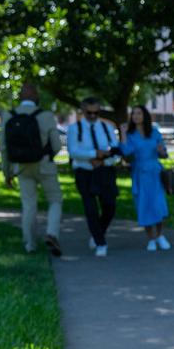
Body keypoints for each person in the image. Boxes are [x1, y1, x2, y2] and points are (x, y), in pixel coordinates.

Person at [0, 82, 63, 255]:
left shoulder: (8, 116)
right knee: (55, 199)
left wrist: (7, 172)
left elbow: (3, 148)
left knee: (28, 205)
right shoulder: (46, 116)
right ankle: (52, 233)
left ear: (20, 97)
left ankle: (29, 245)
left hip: (21, 167)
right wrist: (47, 156)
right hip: (44, 165)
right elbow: (56, 145)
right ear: (36, 96)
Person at [67, 97, 120, 257]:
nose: (92, 115)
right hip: (84, 173)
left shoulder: (106, 127)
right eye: (89, 112)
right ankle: (100, 242)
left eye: (96, 112)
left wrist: (104, 160)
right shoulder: (75, 128)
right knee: (90, 209)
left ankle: (98, 233)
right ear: (83, 111)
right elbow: (73, 151)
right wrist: (93, 155)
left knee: (109, 206)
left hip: (105, 171)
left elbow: (115, 151)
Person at [122, 105, 170, 251]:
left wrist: (161, 151)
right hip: (140, 174)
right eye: (133, 113)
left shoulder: (154, 132)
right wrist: (123, 134)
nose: (135, 116)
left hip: (155, 174)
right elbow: (126, 153)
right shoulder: (130, 135)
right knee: (144, 206)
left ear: (145, 116)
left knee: (159, 205)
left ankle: (161, 235)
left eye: (139, 113)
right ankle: (151, 238)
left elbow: (164, 154)